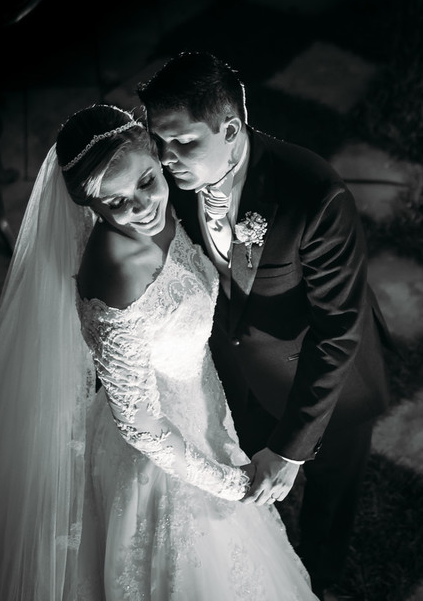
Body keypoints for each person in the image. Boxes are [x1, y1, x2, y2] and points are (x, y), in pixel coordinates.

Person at [0, 104, 318, 600]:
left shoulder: (160, 211)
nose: (140, 206)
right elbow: (141, 426)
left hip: (200, 403)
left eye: (145, 182)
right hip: (165, 456)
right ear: (88, 206)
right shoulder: (116, 278)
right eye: (114, 202)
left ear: (157, 159)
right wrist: (231, 485)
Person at [138, 52, 393, 598]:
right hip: (239, 376)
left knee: (328, 500)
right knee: (245, 504)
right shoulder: (168, 186)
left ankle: (318, 584)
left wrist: (292, 450)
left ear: (230, 130)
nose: (167, 158)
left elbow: (339, 329)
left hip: (330, 386)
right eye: (159, 142)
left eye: (183, 142)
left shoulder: (315, 197)